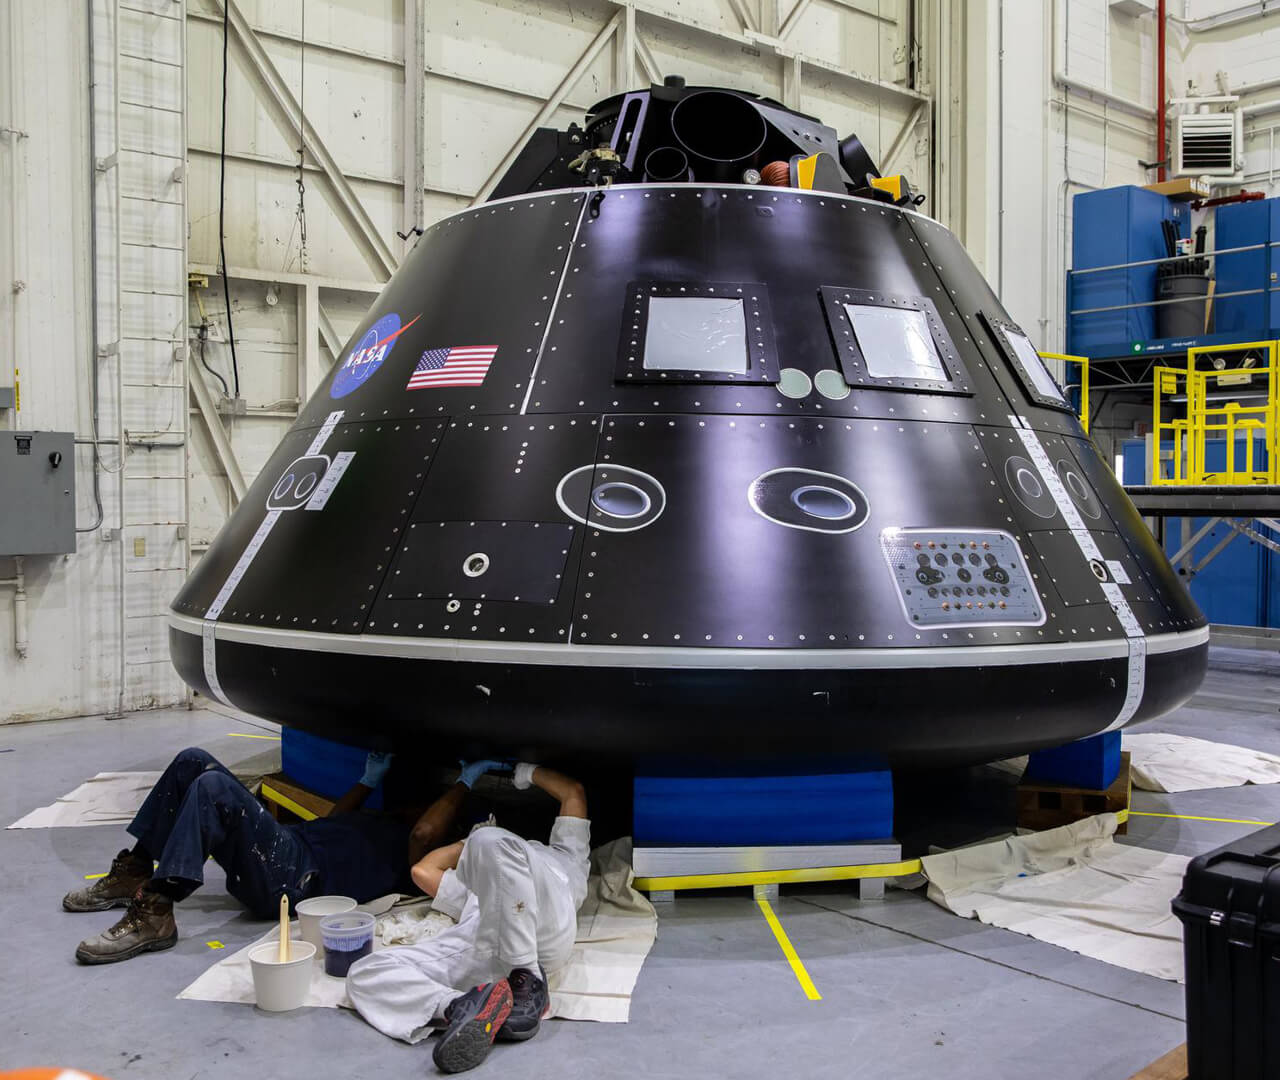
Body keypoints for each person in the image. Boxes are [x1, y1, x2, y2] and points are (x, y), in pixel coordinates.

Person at [63, 744, 449, 964]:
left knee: (214, 787)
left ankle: (156, 912)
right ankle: (135, 870)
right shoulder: (379, 821)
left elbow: (424, 830)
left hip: (291, 881)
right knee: (192, 761)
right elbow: (332, 822)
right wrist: (367, 782)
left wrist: (464, 785)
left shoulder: (418, 852)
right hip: (287, 848)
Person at [346, 760, 590, 1075]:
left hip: (542, 931)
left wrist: (525, 771)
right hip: (480, 942)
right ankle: (458, 1007)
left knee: (489, 842)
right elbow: (422, 871)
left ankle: (528, 978)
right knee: (364, 971)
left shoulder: (566, 854)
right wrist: (472, 849)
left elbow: (573, 793)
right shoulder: (477, 880)